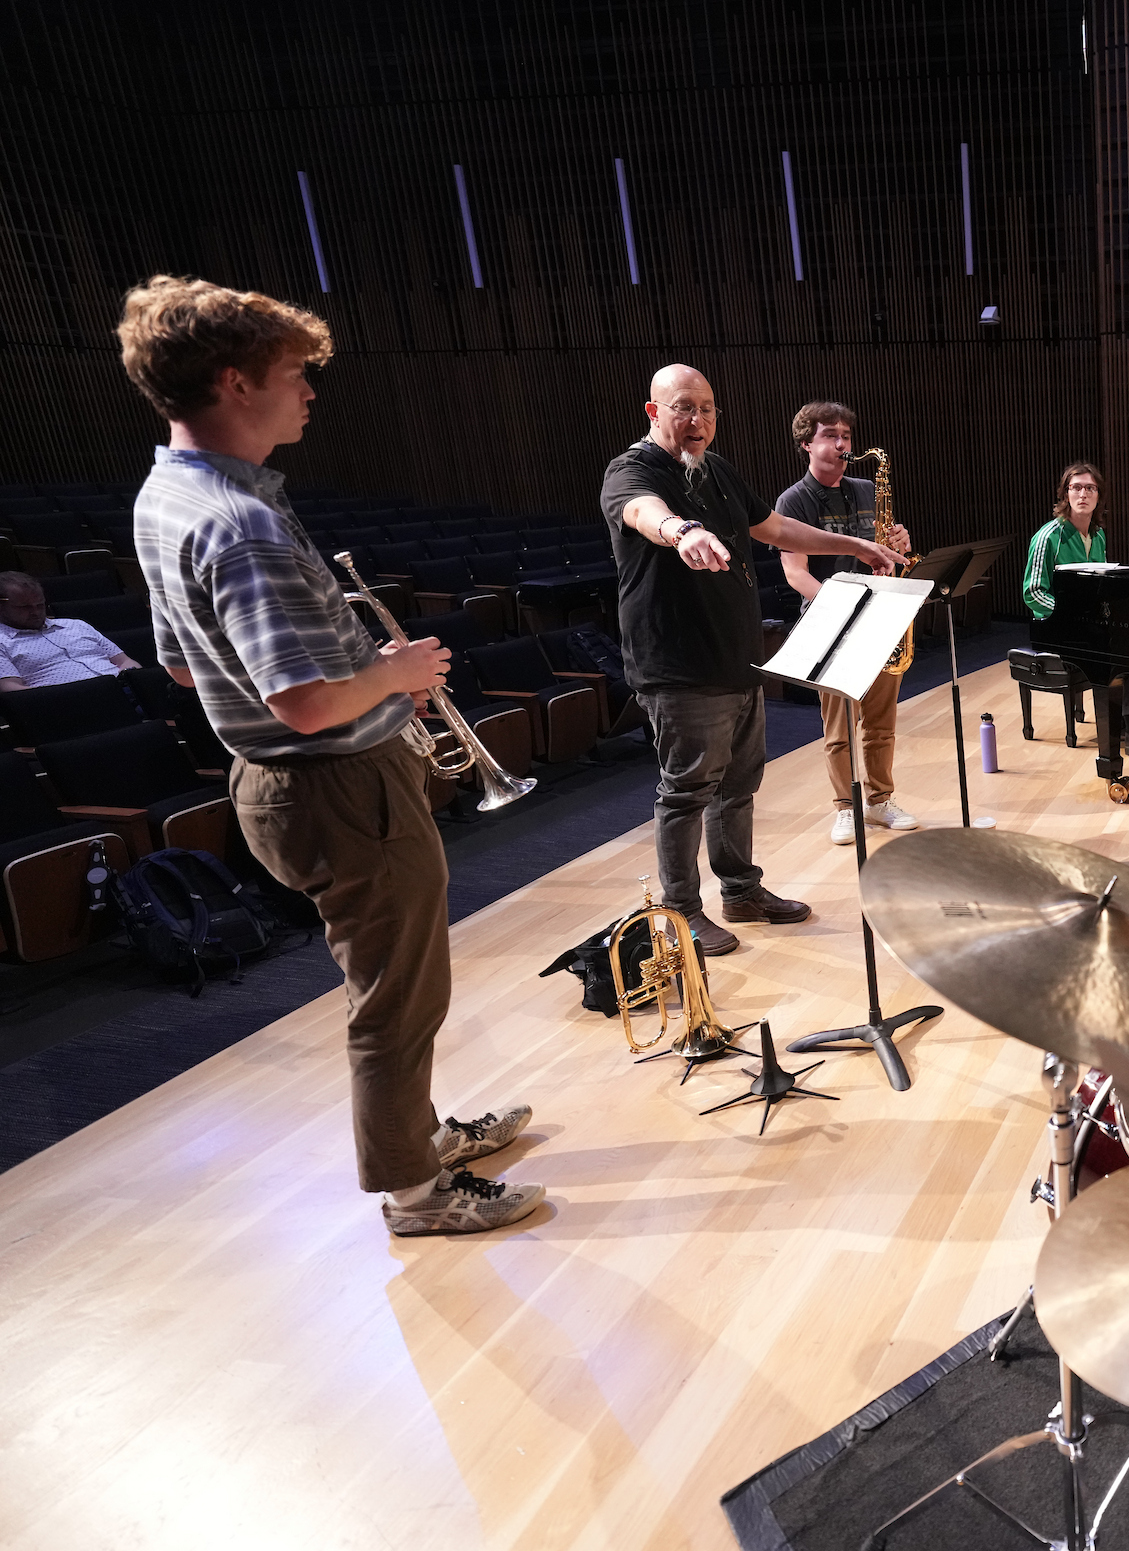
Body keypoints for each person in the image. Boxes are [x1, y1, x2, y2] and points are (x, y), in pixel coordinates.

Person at [118, 274, 541, 1237]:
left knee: (392, 982)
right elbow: (307, 702)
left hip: (285, 785)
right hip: (338, 785)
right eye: (294, 374)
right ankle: (417, 1191)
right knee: (398, 995)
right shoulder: (241, 523)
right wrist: (395, 669)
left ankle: (419, 1136)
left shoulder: (163, 497)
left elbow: (184, 671)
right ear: (233, 383)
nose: (310, 391)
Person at [601, 368, 901, 953]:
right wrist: (681, 530)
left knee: (738, 786)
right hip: (679, 664)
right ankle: (682, 910)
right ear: (653, 411)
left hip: (737, 658)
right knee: (687, 791)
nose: (699, 421)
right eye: (684, 408)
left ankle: (739, 890)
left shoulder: (715, 469)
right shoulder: (632, 470)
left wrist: (855, 544)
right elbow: (642, 512)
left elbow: (775, 527)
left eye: (708, 409)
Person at [773, 401, 922, 844]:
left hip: (880, 615)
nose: (842, 444)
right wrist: (841, 606)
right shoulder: (793, 500)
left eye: (846, 437)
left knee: (881, 721)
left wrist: (900, 540)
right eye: (831, 436)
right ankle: (844, 807)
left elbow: (888, 550)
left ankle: (879, 801)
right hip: (832, 623)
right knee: (839, 727)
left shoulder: (864, 489)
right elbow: (795, 571)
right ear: (806, 444)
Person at [1020, 460, 1129, 759]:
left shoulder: (1097, 535)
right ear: (1065, 494)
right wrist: (1070, 616)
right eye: (1076, 488)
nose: (1083, 494)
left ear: (1099, 496)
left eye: (1090, 488)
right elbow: (1032, 592)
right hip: (1056, 625)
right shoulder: (1049, 537)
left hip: (1088, 620)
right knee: (1124, 642)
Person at [0, 571, 141, 689]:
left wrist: (136, 679)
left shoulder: (75, 625)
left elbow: (124, 662)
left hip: (124, 690)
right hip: (70, 704)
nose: (35, 612)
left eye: (40, 605)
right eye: (25, 607)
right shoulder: (2, 641)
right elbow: (12, 689)